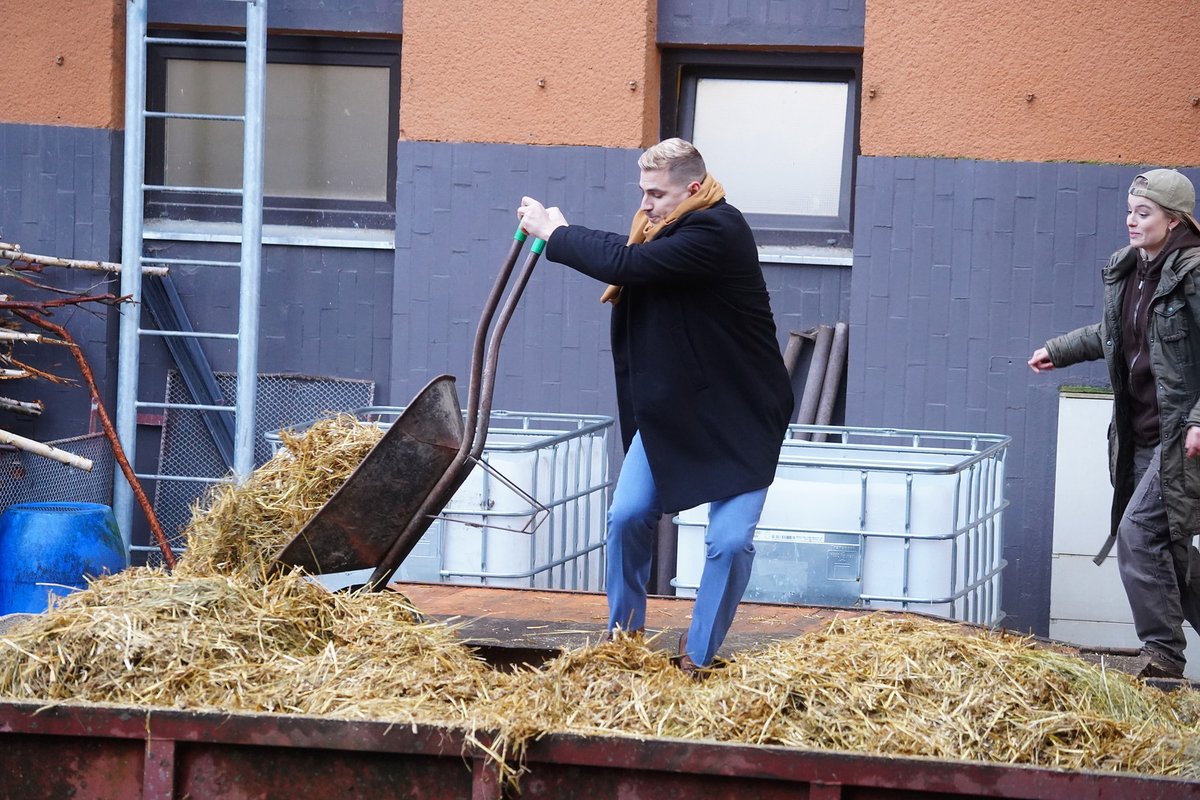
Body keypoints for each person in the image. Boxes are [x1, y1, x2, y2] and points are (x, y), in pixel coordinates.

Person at [517, 138, 794, 675]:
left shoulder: (717, 230)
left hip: (741, 412)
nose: (645, 204)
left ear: (693, 189)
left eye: (656, 193)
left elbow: (628, 264)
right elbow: (632, 260)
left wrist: (556, 233)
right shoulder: (665, 230)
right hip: (676, 409)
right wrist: (568, 231)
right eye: (643, 191)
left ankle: (697, 657)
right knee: (626, 516)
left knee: (730, 542)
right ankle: (623, 641)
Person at [1028, 168, 1200, 679]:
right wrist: (1058, 351)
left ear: (1172, 221)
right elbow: (1112, 332)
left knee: (1138, 531)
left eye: (1143, 213)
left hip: (1181, 438)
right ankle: (1165, 651)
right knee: (1169, 551)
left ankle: (1163, 654)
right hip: (1142, 432)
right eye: (1129, 211)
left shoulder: (1193, 273)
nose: (1131, 220)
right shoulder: (1131, 270)